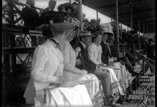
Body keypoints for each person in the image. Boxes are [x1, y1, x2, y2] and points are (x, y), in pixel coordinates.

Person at [23, 21, 94, 107]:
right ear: (63, 34)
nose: (70, 36)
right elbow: (35, 74)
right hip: (41, 90)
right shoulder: (43, 49)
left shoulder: (57, 50)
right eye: (68, 34)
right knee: (76, 95)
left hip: (53, 87)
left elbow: (60, 69)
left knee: (80, 90)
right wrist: (56, 79)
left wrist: (60, 81)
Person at [75, 31, 123, 106]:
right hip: (84, 70)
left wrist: (98, 65)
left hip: (91, 67)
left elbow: (87, 61)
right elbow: (83, 63)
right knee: (106, 74)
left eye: (90, 38)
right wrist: (95, 66)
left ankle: (110, 96)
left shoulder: (85, 46)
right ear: (82, 38)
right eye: (88, 38)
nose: (90, 40)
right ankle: (109, 100)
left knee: (107, 72)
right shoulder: (78, 47)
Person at [59, 25, 100, 100]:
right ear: (65, 33)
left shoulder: (68, 45)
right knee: (91, 78)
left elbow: (69, 59)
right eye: (71, 32)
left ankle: (94, 100)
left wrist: (75, 53)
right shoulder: (64, 46)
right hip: (67, 75)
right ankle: (91, 100)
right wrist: (80, 71)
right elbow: (66, 64)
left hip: (71, 73)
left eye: (74, 32)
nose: (73, 34)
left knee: (92, 78)